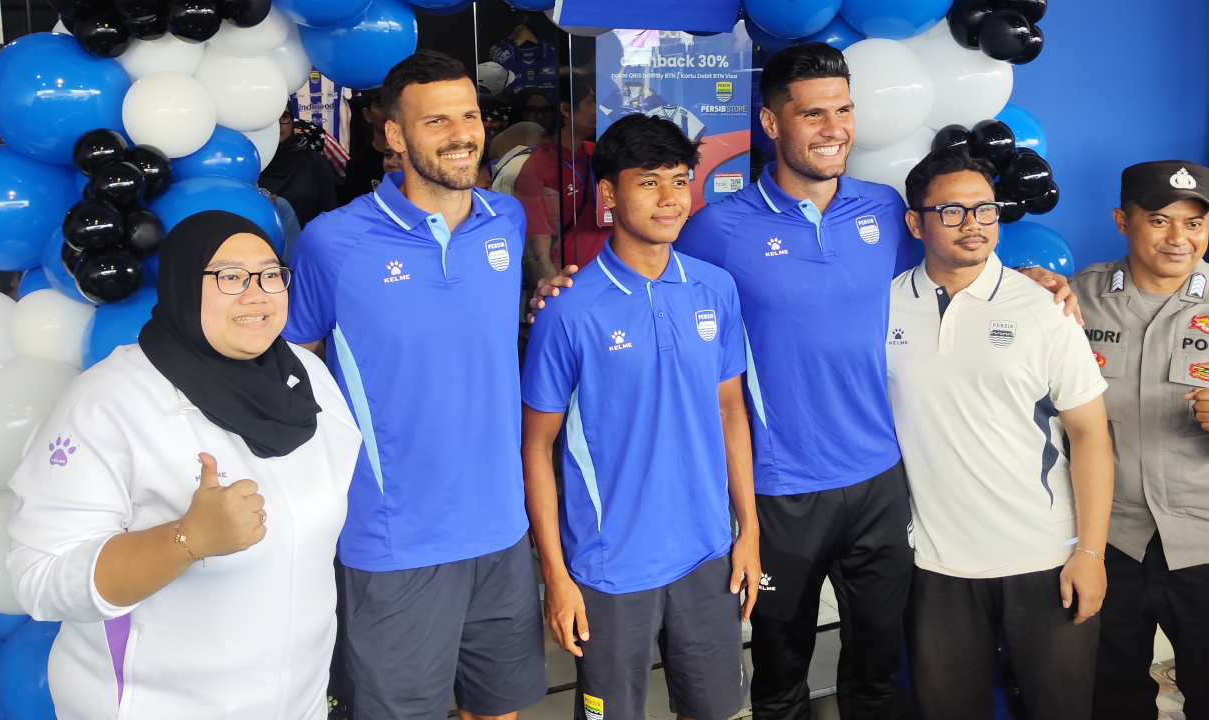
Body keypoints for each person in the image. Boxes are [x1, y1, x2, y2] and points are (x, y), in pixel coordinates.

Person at [531, 42, 1081, 720]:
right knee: (780, 675)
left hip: (881, 480)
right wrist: (558, 288)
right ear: (771, 123)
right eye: (813, 113)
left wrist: (1035, 280)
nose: (834, 128)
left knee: (878, 668)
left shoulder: (885, 211)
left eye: (844, 110)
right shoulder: (715, 229)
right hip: (780, 490)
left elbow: (959, 253)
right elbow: (644, 266)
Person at [6, 211, 362, 719]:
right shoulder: (111, 400)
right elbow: (41, 579)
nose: (257, 293)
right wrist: (187, 539)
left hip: (295, 700)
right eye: (231, 276)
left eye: (270, 274)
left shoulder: (308, 379)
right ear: (180, 284)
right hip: (154, 705)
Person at [283, 50, 546, 720]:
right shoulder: (331, 243)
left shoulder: (505, 221)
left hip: (501, 529)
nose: (463, 132)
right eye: (437, 120)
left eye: (470, 114)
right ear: (395, 135)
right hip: (394, 541)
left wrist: (551, 291)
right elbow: (294, 369)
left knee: (500, 710)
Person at [522, 114, 760, 720]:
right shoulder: (568, 309)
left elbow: (731, 406)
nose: (669, 199)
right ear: (607, 193)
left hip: (707, 553)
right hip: (609, 566)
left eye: (679, 181)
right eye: (649, 181)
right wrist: (555, 571)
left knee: (715, 711)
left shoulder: (715, 289)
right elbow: (537, 447)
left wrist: (748, 528)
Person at [889, 148, 1113, 719]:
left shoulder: (1044, 307)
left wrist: (1090, 551)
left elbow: (1090, 434)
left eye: (985, 211)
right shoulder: (884, 307)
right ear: (916, 221)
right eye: (953, 212)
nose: (974, 226)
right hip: (937, 566)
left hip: (1045, 556)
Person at [1071, 160, 1209, 720]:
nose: (1179, 238)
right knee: (1113, 692)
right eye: (1159, 220)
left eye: (1195, 224)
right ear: (1122, 221)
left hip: (1201, 539)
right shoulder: (1075, 299)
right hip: (1110, 536)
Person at [514, 71, 608, 284]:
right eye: (591, 102)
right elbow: (540, 255)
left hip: (611, 275)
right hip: (572, 282)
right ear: (565, 109)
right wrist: (555, 296)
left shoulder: (597, 154)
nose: (597, 110)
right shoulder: (538, 168)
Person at [259, 104, 339, 227]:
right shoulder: (248, 166)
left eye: (284, 116)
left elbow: (331, 214)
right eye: (269, 117)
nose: (277, 123)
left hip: (311, 243)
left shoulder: (313, 162)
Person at [342, 90, 390, 202]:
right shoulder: (358, 165)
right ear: (367, 114)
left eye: (393, 103)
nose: (388, 111)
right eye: (381, 105)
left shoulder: (415, 158)